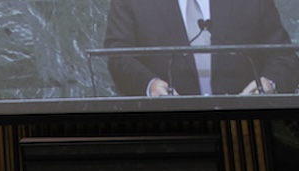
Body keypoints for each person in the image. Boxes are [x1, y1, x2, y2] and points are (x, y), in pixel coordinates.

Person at [103, 0, 299, 97]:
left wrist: (268, 83)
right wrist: (150, 85)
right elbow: (119, 55)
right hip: (167, 127)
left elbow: (283, 56)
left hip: (246, 124)